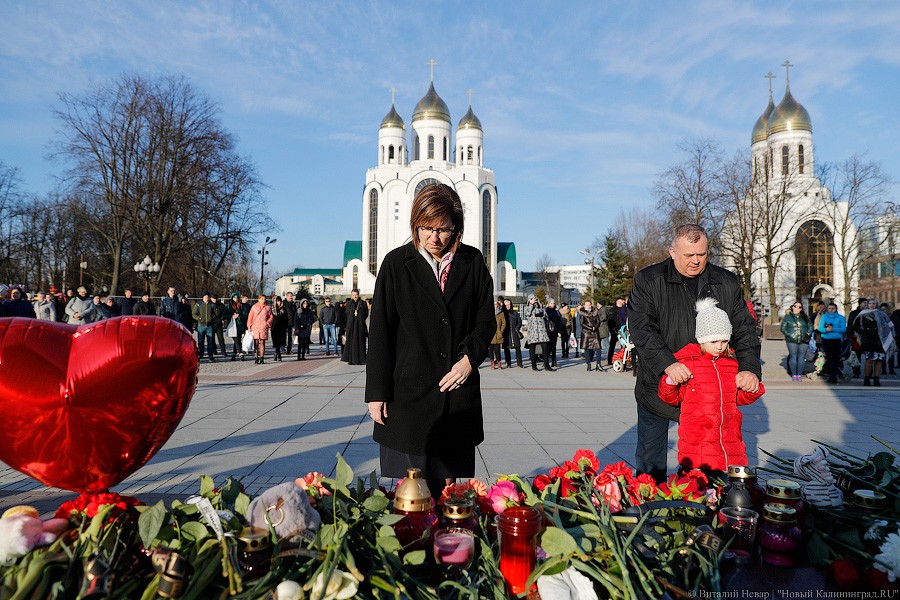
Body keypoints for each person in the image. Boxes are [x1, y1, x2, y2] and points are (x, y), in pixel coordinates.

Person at [366, 182, 494, 498]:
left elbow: (485, 321)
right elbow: (381, 331)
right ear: (415, 225)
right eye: (426, 228)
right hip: (408, 397)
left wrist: (468, 360)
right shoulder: (397, 264)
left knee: (450, 495)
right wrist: (377, 393)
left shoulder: (472, 262)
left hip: (456, 397)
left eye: (443, 230)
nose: (434, 238)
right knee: (410, 496)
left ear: (457, 228)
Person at [629, 224, 761, 482]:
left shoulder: (726, 282)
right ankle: (648, 510)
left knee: (703, 465)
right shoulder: (648, 280)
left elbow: (745, 329)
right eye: (688, 255)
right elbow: (642, 328)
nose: (696, 261)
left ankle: (701, 506)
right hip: (659, 386)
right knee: (650, 461)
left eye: (701, 254)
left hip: (707, 395)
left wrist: (749, 368)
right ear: (672, 252)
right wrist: (667, 364)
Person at [658, 298, 765, 472]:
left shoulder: (731, 364)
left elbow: (737, 398)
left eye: (724, 341)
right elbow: (671, 398)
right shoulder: (686, 362)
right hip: (698, 441)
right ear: (701, 339)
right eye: (713, 342)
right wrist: (670, 382)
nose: (719, 346)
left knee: (730, 491)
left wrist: (752, 388)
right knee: (699, 487)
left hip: (730, 439)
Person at [855, 299, 897, 387]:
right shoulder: (862, 314)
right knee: (869, 360)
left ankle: (876, 379)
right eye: (870, 303)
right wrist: (862, 334)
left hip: (879, 339)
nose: (871, 305)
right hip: (868, 339)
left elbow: (889, 325)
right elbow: (856, 326)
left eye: (873, 303)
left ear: (876, 304)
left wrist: (889, 335)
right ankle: (867, 378)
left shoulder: (882, 314)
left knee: (879, 360)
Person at [780, 301, 812, 382]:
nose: (797, 308)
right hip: (791, 340)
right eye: (795, 306)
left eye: (799, 307)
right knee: (793, 356)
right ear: (792, 307)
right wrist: (790, 335)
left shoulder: (805, 317)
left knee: (801, 357)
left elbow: (810, 326)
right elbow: (783, 328)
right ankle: (794, 374)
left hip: (804, 339)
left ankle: (799, 374)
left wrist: (808, 334)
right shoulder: (787, 317)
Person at [817, 302, 847, 384]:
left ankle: (834, 375)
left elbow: (843, 329)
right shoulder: (824, 317)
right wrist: (826, 330)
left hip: (836, 340)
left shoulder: (841, 318)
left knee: (835, 358)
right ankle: (830, 374)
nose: (831, 310)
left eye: (832, 308)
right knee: (828, 358)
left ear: (836, 309)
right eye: (829, 308)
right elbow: (820, 328)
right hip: (826, 339)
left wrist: (833, 329)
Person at [524, 295, 554, 372]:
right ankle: (534, 365)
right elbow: (527, 313)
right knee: (532, 348)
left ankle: (547, 365)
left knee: (545, 347)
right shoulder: (527, 308)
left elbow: (546, 316)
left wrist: (541, 309)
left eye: (536, 299)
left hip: (542, 331)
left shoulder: (541, 308)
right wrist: (531, 304)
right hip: (533, 331)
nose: (535, 301)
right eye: (532, 299)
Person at [341, 288, 368, 365]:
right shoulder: (349, 303)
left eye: (356, 295)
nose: (355, 296)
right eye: (353, 295)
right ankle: (351, 360)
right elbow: (346, 314)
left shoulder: (362, 303)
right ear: (351, 295)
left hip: (359, 325)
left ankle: (360, 359)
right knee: (351, 342)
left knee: (360, 342)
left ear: (358, 295)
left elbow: (366, 314)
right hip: (351, 326)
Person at [578, 300, 606, 371]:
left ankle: (598, 364)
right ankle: (588, 364)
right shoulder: (582, 313)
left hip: (595, 332)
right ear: (584, 306)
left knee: (598, 348)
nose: (588, 306)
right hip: (586, 333)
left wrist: (595, 327)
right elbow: (582, 323)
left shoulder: (595, 312)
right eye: (586, 305)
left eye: (589, 305)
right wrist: (590, 328)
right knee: (587, 348)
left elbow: (598, 321)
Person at [247, 294, 273, 364]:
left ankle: (262, 358)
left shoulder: (267, 308)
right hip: (255, 326)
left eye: (264, 299)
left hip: (263, 327)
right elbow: (250, 317)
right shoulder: (254, 307)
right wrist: (249, 326)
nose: (263, 300)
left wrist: (267, 323)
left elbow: (271, 316)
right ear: (258, 299)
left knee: (262, 342)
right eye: (262, 299)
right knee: (255, 343)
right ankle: (256, 358)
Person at [846, 298, 868, 378]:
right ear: (860, 304)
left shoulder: (869, 313)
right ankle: (856, 372)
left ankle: (869, 372)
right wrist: (849, 336)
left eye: (866, 303)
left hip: (867, 337)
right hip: (856, 336)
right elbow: (850, 324)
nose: (865, 304)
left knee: (868, 356)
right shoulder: (854, 313)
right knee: (856, 355)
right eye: (864, 303)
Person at [193, 292, 217, 362]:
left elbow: (215, 314)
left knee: (210, 341)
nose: (206, 298)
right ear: (203, 297)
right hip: (201, 325)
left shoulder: (212, 305)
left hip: (209, 325)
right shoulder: (198, 304)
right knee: (200, 341)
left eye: (208, 297)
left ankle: (210, 356)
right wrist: (199, 318)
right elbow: (194, 314)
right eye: (205, 296)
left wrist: (211, 319)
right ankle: (200, 355)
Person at [226, 292, 249, 361]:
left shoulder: (241, 306)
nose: (235, 299)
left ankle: (233, 354)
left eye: (236, 297)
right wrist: (232, 316)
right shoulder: (229, 306)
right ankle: (240, 353)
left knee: (238, 339)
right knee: (236, 339)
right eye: (234, 297)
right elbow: (224, 315)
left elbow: (245, 315)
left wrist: (239, 316)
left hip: (239, 325)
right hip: (232, 325)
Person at [503, 298, 524, 368]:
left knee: (517, 348)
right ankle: (508, 363)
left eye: (509, 304)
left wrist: (517, 328)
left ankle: (520, 363)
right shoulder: (502, 313)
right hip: (506, 333)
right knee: (507, 348)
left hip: (514, 332)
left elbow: (519, 321)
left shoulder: (515, 313)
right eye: (506, 305)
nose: (508, 306)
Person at [545, 298, 565, 368]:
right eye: (551, 303)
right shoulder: (546, 311)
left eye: (553, 303)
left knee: (553, 347)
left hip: (554, 332)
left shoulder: (556, 312)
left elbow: (559, 322)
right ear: (548, 303)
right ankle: (546, 362)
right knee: (547, 348)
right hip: (547, 332)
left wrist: (559, 331)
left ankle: (554, 361)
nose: (553, 304)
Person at [489, 298, 507, 369]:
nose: (495, 305)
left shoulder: (501, 313)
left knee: (497, 350)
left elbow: (504, 323)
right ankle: (492, 363)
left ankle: (499, 362)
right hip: (490, 334)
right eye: (494, 304)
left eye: (496, 304)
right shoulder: (489, 312)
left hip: (498, 334)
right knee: (490, 350)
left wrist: (501, 331)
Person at [270, 296, 289, 362]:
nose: (279, 302)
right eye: (278, 301)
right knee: (276, 342)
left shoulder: (284, 309)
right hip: (274, 327)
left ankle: (277, 353)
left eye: (280, 301)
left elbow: (286, 319)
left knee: (280, 342)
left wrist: (286, 326)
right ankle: (278, 354)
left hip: (282, 328)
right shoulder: (272, 309)